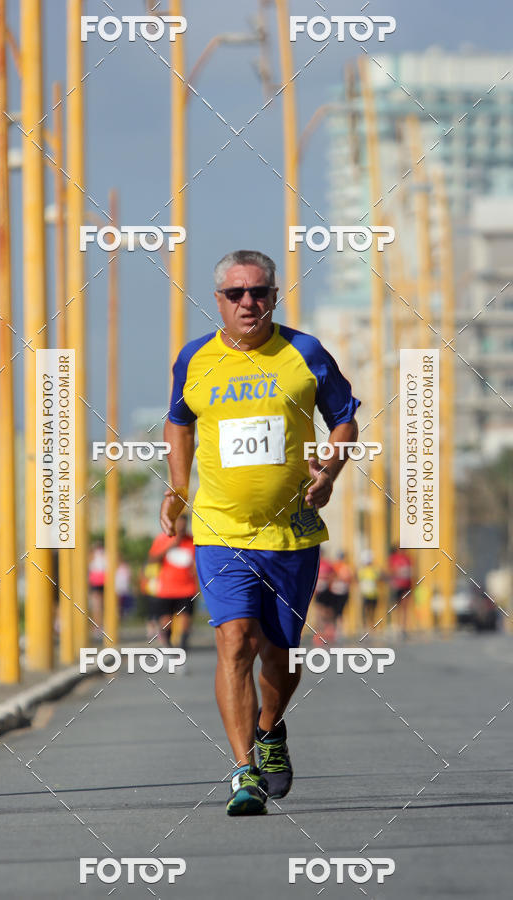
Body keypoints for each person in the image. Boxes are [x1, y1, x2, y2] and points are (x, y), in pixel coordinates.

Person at [160, 249, 360, 815]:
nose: (248, 302)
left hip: (291, 532)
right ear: (218, 300)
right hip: (220, 529)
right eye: (236, 294)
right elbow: (178, 422)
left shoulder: (305, 353)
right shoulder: (194, 359)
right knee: (235, 640)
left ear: (274, 296)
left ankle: (270, 727)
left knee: (280, 655)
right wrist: (178, 488)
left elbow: (344, 418)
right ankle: (243, 771)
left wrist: (329, 472)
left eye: (259, 292)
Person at [147, 514, 198, 651]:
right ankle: (168, 646)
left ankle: (183, 647)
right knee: (165, 622)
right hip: (167, 589)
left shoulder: (192, 541)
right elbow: (152, 559)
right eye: (178, 525)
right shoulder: (162, 539)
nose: (181, 528)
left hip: (187, 589)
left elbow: (197, 563)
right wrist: (171, 546)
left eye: (183, 525)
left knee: (185, 620)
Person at [313, 551, 353, 645]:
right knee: (321, 613)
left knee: (334, 613)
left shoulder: (331, 565)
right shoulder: (325, 565)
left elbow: (335, 577)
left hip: (334, 593)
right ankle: (321, 634)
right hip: (322, 592)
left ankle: (333, 633)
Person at [387, 545, 413, 633]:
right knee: (397, 606)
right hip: (398, 585)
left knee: (405, 606)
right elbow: (391, 570)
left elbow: (410, 572)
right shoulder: (394, 558)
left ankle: (403, 626)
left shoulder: (408, 559)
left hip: (407, 585)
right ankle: (398, 624)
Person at [357, 549, 381, 630]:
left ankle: (371, 626)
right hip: (365, 594)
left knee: (372, 612)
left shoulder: (374, 569)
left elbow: (378, 579)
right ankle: (365, 626)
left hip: (373, 594)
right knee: (365, 612)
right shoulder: (362, 570)